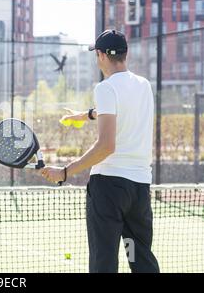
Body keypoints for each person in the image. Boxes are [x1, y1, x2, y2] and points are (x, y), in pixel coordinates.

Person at [41, 30, 160, 273]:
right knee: (140, 257)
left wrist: (65, 172)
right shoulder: (144, 85)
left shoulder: (105, 88)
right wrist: (86, 115)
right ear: (125, 54)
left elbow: (106, 146)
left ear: (101, 55)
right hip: (139, 190)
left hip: (109, 190)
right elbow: (121, 108)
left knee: (104, 260)